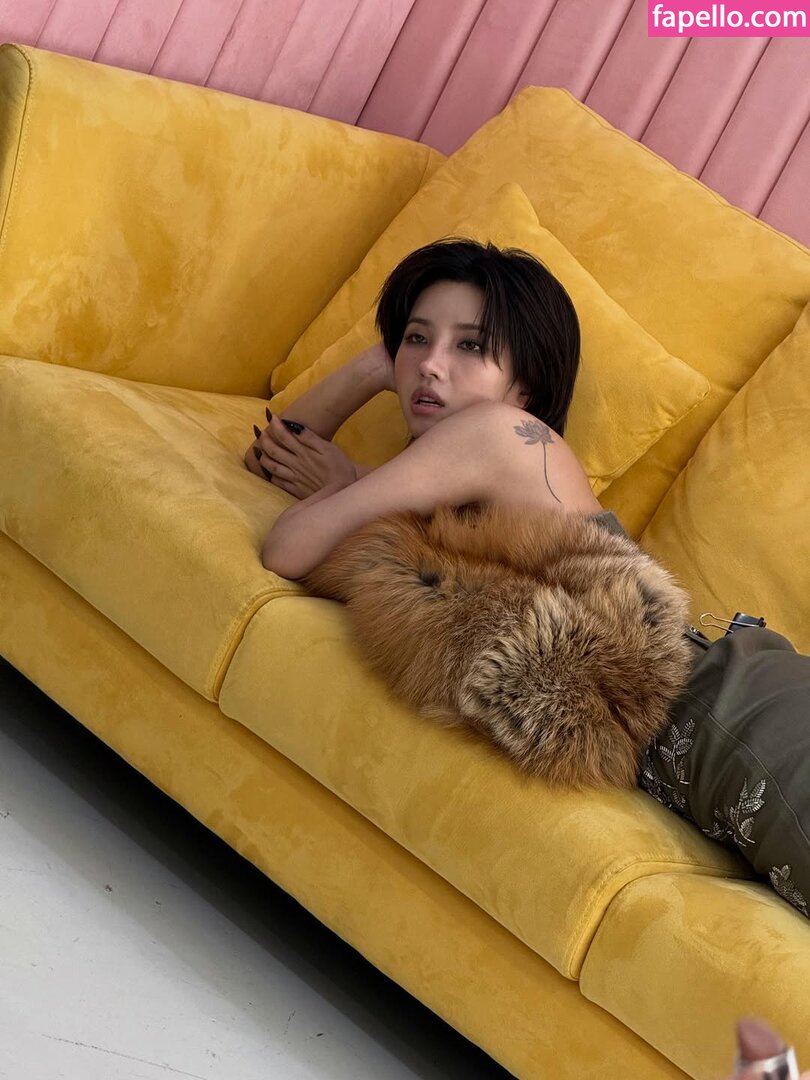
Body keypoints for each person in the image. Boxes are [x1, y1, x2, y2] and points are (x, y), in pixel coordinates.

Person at [245, 238, 612, 581]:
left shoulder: (495, 433)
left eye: (470, 346)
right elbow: (267, 461)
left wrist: (340, 486)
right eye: (417, 338)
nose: (428, 364)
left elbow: (285, 551)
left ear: (526, 390)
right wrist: (374, 367)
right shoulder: (456, 476)